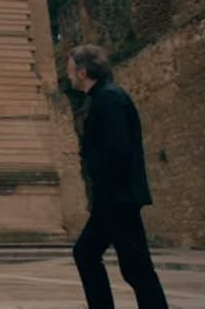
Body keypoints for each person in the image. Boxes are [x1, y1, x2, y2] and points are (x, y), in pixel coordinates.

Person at [67, 45, 168, 309]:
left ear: (83, 71)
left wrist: (103, 196)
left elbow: (117, 152)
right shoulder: (104, 97)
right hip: (118, 197)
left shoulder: (109, 98)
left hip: (117, 198)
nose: (67, 75)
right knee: (131, 265)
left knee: (110, 260)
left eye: (70, 69)